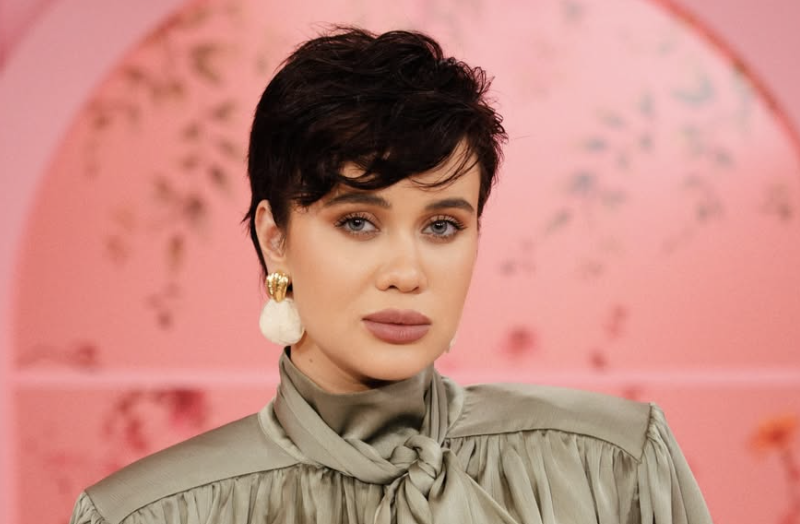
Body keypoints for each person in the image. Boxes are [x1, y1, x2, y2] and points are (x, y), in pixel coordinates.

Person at [69, 27, 713, 524]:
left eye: (442, 226)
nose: (407, 273)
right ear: (275, 238)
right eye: (357, 222)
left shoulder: (612, 466)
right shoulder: (149, 515)